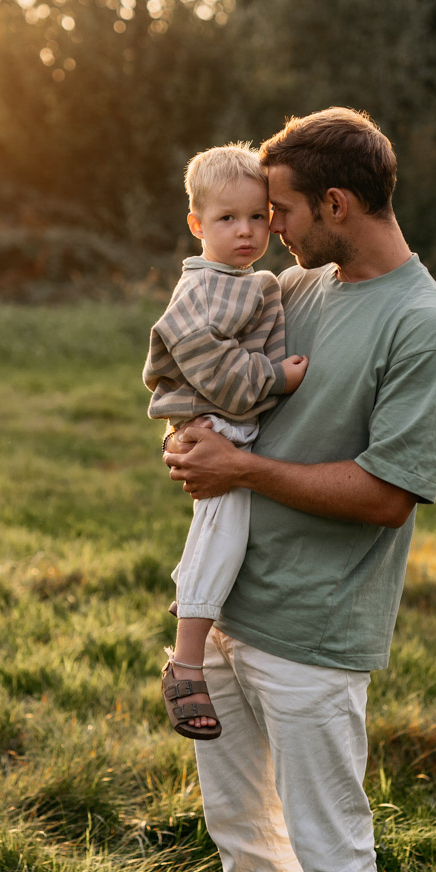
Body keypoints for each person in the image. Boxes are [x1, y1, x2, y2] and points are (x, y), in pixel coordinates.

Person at [163, 107, 436, 872]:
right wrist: (187, 440)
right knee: (245, 839)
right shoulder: (299, 288)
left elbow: (385, 495)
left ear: (337, 203)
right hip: (228, 622)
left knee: (330, 854)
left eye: (286, 208)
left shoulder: (426, 330)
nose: (272, 227)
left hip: (314, 634)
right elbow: (211, 371)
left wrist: (241, 473)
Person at [144, 144, 309, 739]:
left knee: (222, 531)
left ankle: (197, 640)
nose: (247, 231)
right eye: (227, 219)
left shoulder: (243, 282)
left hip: (224, 424)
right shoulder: (203, 291)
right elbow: (213, 368)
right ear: (196, 225)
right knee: (222, 528)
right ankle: (186, 661)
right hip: (211, 424)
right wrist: (277, 378)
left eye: (258, 217)